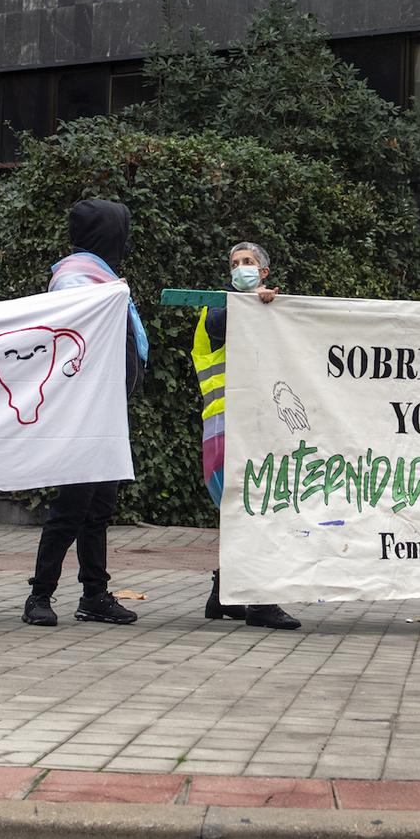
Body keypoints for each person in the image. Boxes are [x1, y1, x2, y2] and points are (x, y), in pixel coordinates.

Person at [24, 199, 147, 627]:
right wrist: (111, 295)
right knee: (71, 508)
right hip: (82, 414)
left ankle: (94, 594)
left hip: (107, 412)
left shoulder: (102, 277)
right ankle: (40, 595)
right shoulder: (77, 277)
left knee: (98, 507)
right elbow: (72, 325)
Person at [190, 242, 300, 631]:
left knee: (243, 512)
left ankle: (223, 596)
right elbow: (222, 322)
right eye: (235, 264)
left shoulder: (266, 312)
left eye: (249, 263)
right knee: (257, 510)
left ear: (265, 272)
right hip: (225, 433)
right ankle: (261, 602)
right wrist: (252, 301)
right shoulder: (221, 308)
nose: (241, 268)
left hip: (243, 432)